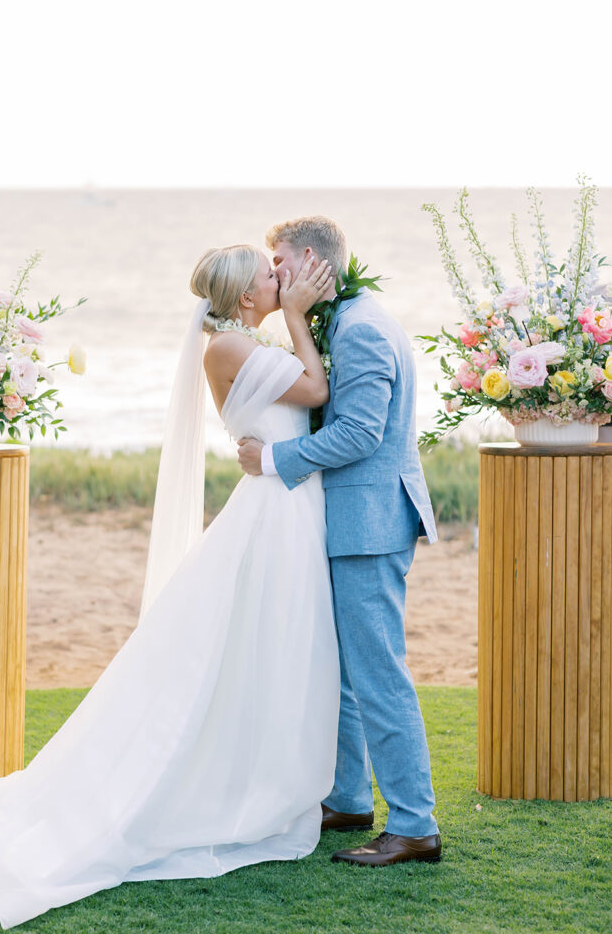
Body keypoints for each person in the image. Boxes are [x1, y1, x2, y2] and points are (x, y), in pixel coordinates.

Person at [0, 244, 341, 930]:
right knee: (260, 643)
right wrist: (299, 315)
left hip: (285, 504)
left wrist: (294, 316)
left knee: (274, 645)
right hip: (274, 513)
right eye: (269, 276)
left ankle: (275, 781)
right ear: (245, 297)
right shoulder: (230, 347)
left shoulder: (241, 341)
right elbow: (316, 392)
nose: (280, 279)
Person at [238, 216, 442, 867]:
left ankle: (414, 825)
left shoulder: (360, 329)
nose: (274, 273)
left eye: (277, 260)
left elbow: (358, 433)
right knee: (348, 674)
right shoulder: (346, 318)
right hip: (352, 520)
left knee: (378, 674)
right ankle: (348, 799)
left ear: (307, 258)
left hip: (370, 522)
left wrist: (271, 459)